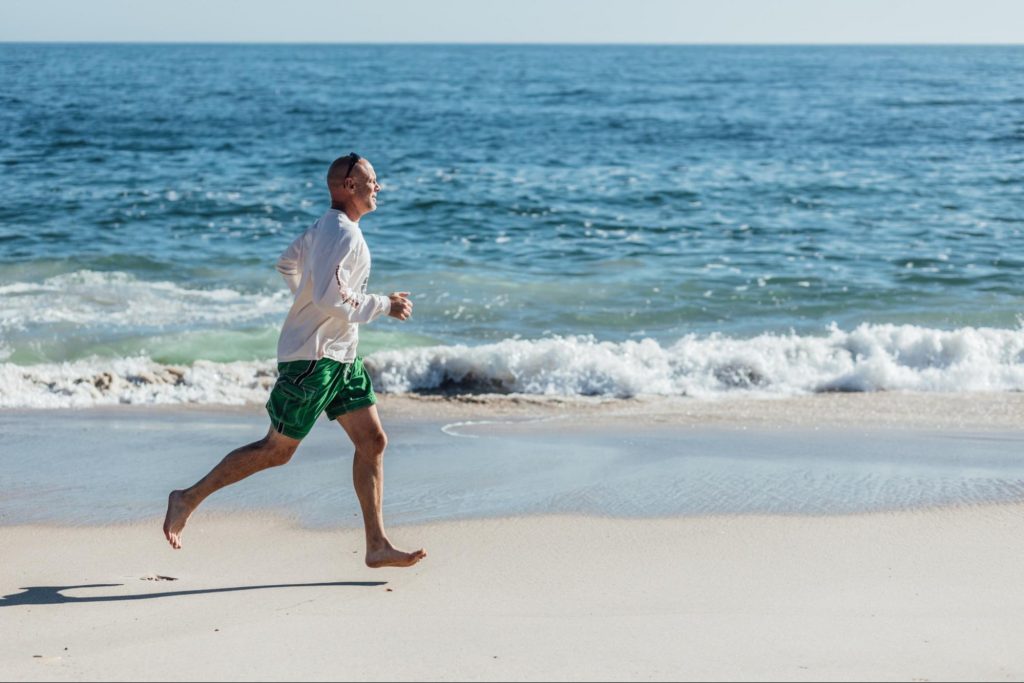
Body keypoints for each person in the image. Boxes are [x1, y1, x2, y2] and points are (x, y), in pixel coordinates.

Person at [162, 153, 426, 569]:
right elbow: (329, 297)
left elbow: (289, 264)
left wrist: (307, 303)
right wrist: (383, 304)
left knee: (373, 441)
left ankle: (376, 545)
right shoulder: (343, 234)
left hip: (340, 357)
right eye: (371, 180)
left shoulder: (327, 227)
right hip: (313, 361)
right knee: (277, 450)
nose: (379, 187)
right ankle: (187, 498)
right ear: (347, 185)